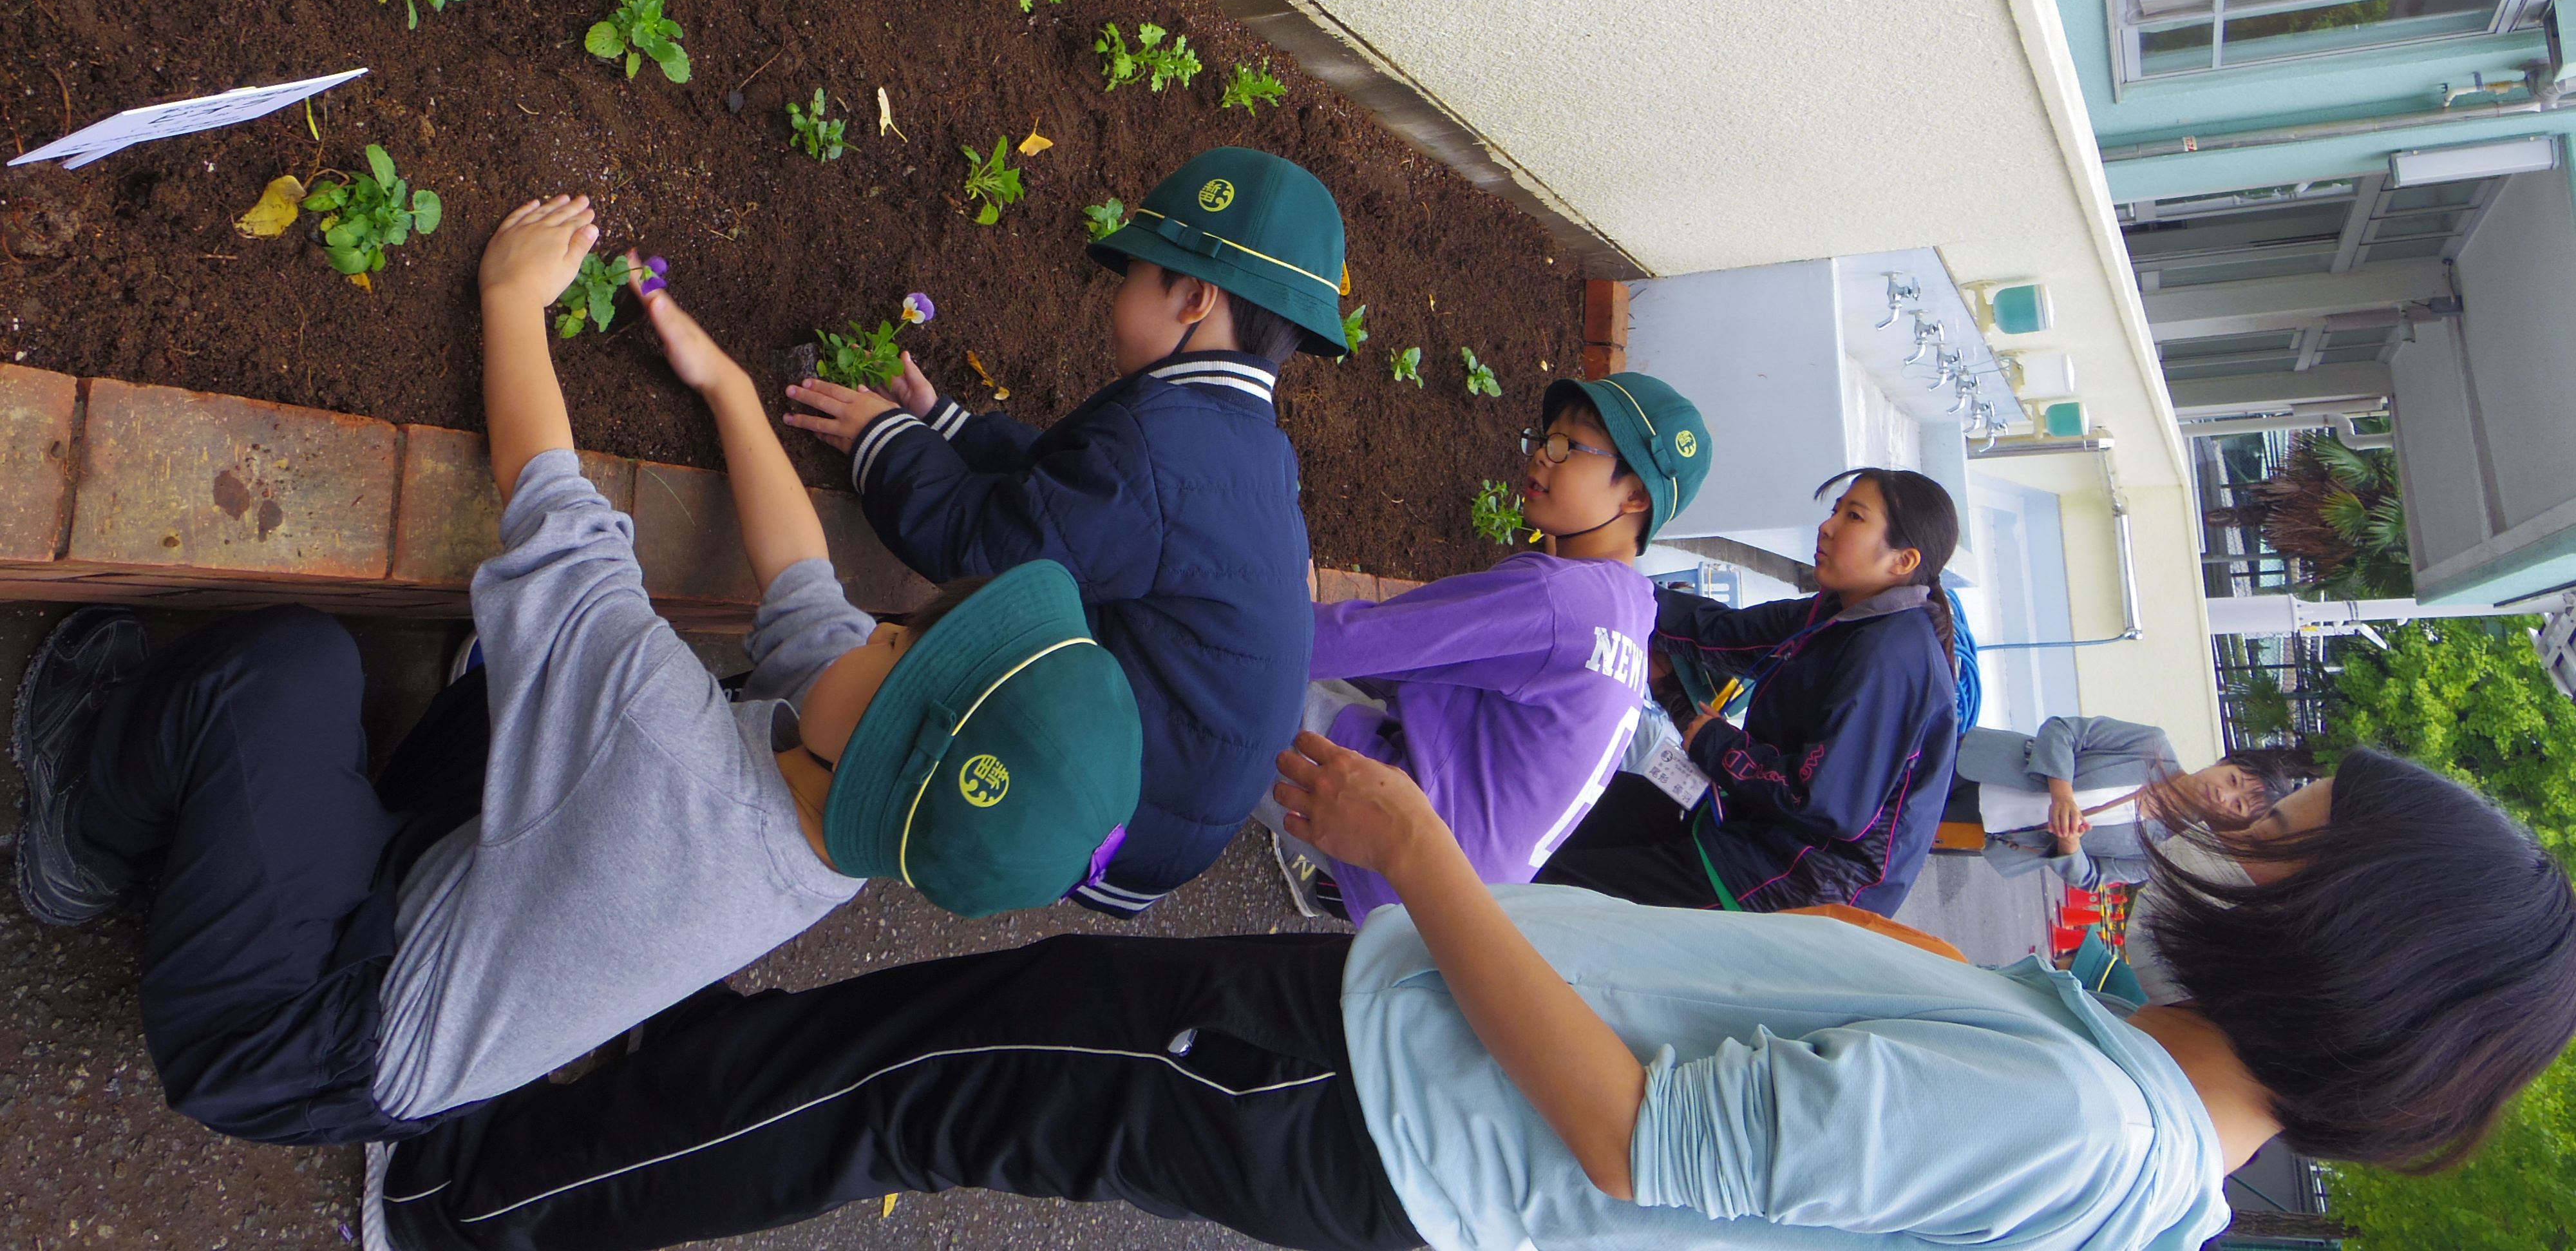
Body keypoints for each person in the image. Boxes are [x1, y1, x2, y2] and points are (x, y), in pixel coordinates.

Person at [358, 738, 2576, 1251]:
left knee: (926, 1079)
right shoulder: (2135, 1134)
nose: (2232, 806)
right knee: (941, 1050)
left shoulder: (2095, 1137)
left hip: (1385, 1100)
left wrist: (1424, 857)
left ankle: (463, 1197)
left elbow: (1649, 1139)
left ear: (2348, 942)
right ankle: (537, 1126)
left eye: (2288, 824)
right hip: (1392, 1082)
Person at [6, 193, 1139, 1145]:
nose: (875, 627)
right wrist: (731, 392)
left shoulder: (664, 748)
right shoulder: (863, 816)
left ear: (878, 755)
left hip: (287, 1029)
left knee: (288, 671)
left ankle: (79, 838)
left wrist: (511, 299)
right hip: (441, 948)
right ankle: (419, 765)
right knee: (517, 682)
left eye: (898, 644)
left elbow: (560, 515)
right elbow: (803, 585)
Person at [779, 146, 1347, 917]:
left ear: (1193, 301)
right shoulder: (1243, 441)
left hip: (1118, 813)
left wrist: (886, 441)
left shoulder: (1162, 446)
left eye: (1136, 275)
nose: (1117, 295)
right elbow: (1069, 498)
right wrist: (948, 427)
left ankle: (818, 832)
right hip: (1187, 794)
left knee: (913, 689)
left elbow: (983, 548)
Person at [1267, 372, 1710, 919]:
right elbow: (1421, 664)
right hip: (1455, 898)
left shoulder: (1563, 598)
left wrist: (1235, 620)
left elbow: (1363, 640)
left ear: (1635, 494)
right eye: (1544, 438)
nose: (1542, 457)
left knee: (1229, 674)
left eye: (1568, 446)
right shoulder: (1629, 616)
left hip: (1398, 840)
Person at [1535, 466, 1961, 915]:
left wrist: (1719, 745)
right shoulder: (1844, 613)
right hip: (1753, 826)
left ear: (1903, 561)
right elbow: (1725, 632)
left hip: (1797, 884)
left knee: (1561, 888)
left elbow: (1822, 801)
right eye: (1836, 510)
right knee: (1575, 804)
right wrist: (1604, 584)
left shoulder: (1892, 657)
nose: (1827, 526)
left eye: (1854, 517)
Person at [1942, 714, 2289, 888]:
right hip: (1978, 763)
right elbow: (2063, 729)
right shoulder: (2151, 745)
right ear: (2222, 763)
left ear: (2233, 822)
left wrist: (2070, 845)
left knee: (1891, 829)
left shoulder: (2161, 854)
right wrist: (2062, 794)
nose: (2224, 794)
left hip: (1990, 832)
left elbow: (2092, 878)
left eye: (2238, 806)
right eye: (2232, 780)